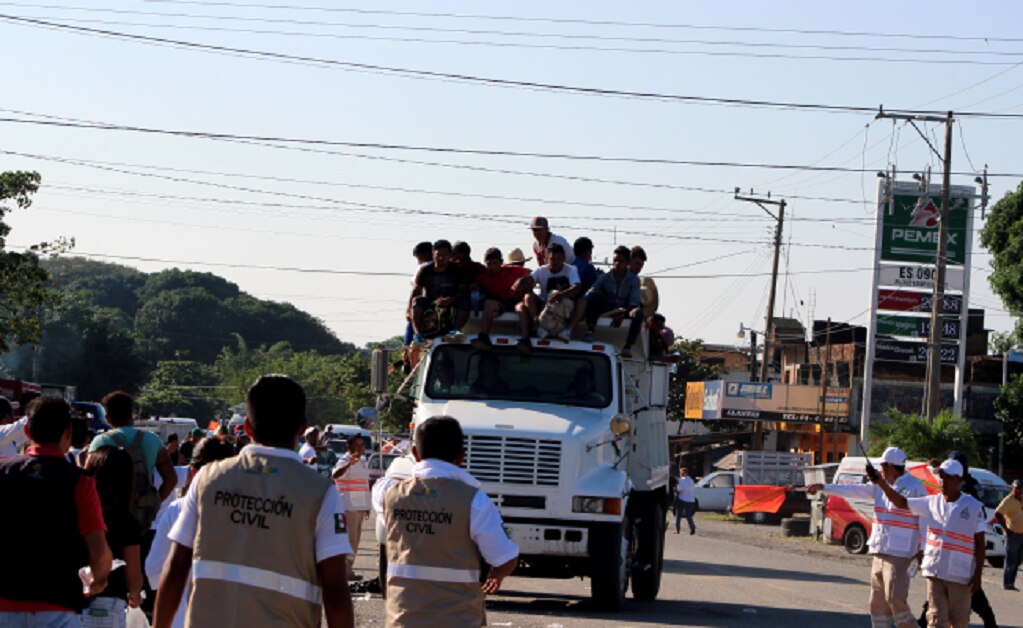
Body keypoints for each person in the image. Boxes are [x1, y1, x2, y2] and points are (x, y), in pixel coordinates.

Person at [153, 375, 355, 628]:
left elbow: (175, 569)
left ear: (247, 427)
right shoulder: (321, 492)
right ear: (302, 428)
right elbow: (335, 591)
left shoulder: (208, 478)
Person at [372, 417, 518, 626]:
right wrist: (496, 576)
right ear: (461, 457)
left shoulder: (389, 494)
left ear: (414, 453)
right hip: (458, 619)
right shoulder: (475, 501)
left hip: (403, 618)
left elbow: (380, 485)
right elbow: (506, 558)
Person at [0, 397, 113, 627]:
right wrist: (98, 580)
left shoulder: (3, 471)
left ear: (27, 431)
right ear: (68, 431)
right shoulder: (80, 482)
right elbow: (99, 550)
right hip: (57, 608)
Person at [806, 447, 925, 628]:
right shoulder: (880, 485)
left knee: (895, 599)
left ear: (892, 467)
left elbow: (915, 514)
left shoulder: (915, 487)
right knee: (876, 604)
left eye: (883, 466)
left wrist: (922, 550)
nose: (881, 470)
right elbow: (853, 490)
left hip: (900, 555)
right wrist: (824, 487)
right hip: (879, 552)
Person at [873, 458, 985, 628]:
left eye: (949, 477)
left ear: (959, 480)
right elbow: (902, 502)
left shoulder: (974, 507)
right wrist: (882, 484)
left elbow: (980, 544)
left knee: (959, 622)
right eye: (942, 476)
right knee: (936, 620)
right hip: (935, 572)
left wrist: (977, 577)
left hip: (960, 575)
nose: (943, 481)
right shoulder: (931, 502)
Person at [146, 437, 235, 628]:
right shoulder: (246, 515)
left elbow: (153, 569)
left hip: (180, 617)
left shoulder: (176, 510)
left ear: (193, 473)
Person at [90, 391, 177, 531]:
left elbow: (89, 479)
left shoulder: (101, 441)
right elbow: (171, 479)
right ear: (131, 415)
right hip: (141, 517)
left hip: (109, 517)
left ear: (107, 418)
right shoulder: (153, 440)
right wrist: (154, 504)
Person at [82, 447, 145, 627]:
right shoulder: (126, 520)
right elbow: (134, 577)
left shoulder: (77, 513)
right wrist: (135, 593)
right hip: (108, 606)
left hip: (71, 603)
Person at [568, 245, 642, 358]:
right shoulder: (605, 277)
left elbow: (633, 302)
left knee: (638, 313)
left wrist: (628, 311)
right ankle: (590, 330)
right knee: (595, 297)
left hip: (625, 309)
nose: (617, 263)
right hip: (608, 307)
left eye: (621, 261)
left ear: (627, 263)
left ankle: (627, 346)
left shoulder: (634, 280)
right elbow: (591, 292)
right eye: (615, 260)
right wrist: (582, 301)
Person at [516, 242, 581, 351]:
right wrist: (519, 282)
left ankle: (568, 330)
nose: (555, 262)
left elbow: (577, 287)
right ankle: (537, 323)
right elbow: (529, 280)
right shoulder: (541, 270)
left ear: (564, 258)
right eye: (552, 259)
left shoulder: (571, 269)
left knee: (580, 301)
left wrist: (561, 295)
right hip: (544, 307)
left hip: (563, 308)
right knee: (528, 296)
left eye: (559, 258)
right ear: (547, 258)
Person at [409, 239, 469, 345]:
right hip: (431, 303)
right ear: (433, 254)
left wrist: (450, 299)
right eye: (438, 254)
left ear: (450, 255)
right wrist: (407, 310)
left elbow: (463, 290)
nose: (441, 258)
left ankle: (455, 331)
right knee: (417, 301)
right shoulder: (425, 270)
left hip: (450, 302)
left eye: (445, 255)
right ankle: (418, 335)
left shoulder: (457, 270)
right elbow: (416, 291)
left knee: (464, 302)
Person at [471, 247, 532, 350]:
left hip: (516, 300)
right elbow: (474, 285)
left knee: (521, 307)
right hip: (501, 302)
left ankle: (526, 340)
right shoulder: (484, 277)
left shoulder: (513, 270)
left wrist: (520, 282)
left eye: (495, 263)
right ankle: (484, 337)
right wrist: (473, 287)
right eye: (489, 264)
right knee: (488, 304)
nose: (492, 267)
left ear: (501, 263)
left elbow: (532, 274)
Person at [331, 435, 371, 582]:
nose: (361, 448)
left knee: (355, 541)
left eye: (362, 445)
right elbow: (335, 474)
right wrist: (348, 464)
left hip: (359, 507)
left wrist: (367, 507)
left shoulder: (362, 461)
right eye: (357, 446)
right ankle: (344, 571)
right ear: (349, 447)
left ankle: (348, 570)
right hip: (349, 507)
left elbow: (364, 485)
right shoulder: (346, 460)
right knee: (349, 540)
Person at [996, 479, 1023, 591]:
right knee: (1011, 560)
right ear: (1012, 488)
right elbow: (997, 513)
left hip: (1022, 534)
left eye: (1020, 489)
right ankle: (1008, 583)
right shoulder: (1008, 500)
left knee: (1019, 560)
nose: (1018, 491)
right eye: (1016, 488)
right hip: (1013, 534)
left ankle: (1011, 581)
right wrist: (1006, 530)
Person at [674, 467, 697, 535]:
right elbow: (694, 489)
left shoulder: (681, 480)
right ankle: (692, 526)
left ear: (682, 473)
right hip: (691, 500)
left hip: (682, 499)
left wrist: (676, 487)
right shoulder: (691, 480)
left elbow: (679, 489)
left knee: (678, 515)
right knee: (688, 515)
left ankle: (677, 529)